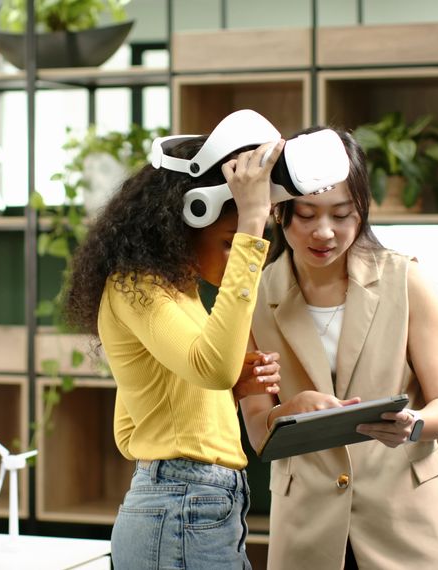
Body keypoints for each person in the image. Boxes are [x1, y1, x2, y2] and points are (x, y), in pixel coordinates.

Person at [238, 127, 438, 569]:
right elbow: (260, 433)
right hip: (309, 526)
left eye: (342, 215)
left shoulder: (406, 281)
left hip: (404, 519)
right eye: (308, 215)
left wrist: (413, 424)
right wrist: (294, 407)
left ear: (362, 214)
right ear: (280, 212)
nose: (325, 232)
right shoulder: (253, 298)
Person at [62, 132, 284, 569]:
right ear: (187, 219)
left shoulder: (175, 293)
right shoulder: (136, 286)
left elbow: (143, 409)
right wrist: (252, 221)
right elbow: (212, 368)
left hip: (192, 507)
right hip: (183, 505)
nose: (235, 252)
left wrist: (227, 388)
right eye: (227, 241)